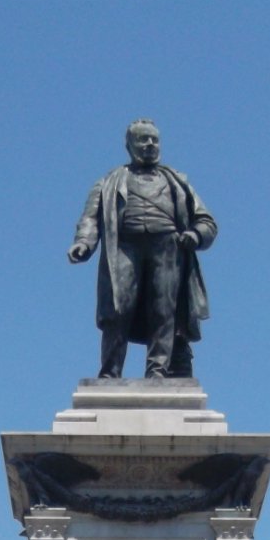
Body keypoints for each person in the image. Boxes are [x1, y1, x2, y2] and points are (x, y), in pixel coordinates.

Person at [68, 119, 217, 380]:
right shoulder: (109, 181)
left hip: (168, 247)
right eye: (143, 139)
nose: (150, 145)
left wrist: (195, 234)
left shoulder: (177, 182)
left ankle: (158, 372)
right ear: (129, 145)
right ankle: (110, 372)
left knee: (164, 309)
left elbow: (206, 221)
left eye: (154, 140)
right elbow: (91, 218)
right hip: (124, 247)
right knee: (118, 308)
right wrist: (84, 242)